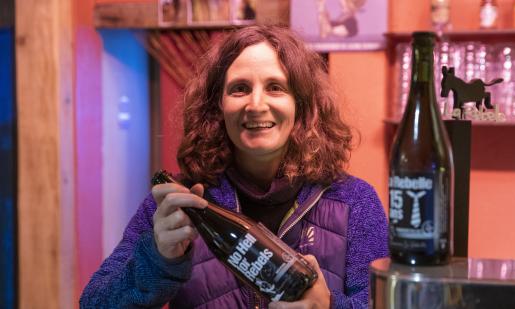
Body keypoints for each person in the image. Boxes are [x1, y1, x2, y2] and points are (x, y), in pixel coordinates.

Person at [80, 25, 388, 308]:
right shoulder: (178, 204)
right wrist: (158, 259)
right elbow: (94, 303)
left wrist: (330, 307)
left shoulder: (355, 201)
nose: (256, 105)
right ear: (218, 106)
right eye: (239, 88)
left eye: (275, 87)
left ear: (302, 105)